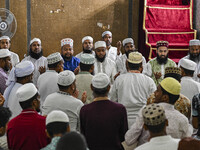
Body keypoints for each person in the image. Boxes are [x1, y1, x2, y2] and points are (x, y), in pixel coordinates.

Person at [125, 77, 193, 147]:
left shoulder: (146, 111)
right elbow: (186, 142)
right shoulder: (182, 119)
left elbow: (129, 140)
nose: (154, 93)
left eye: (157, 91)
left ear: (165, 97)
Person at [80, 73, 128, 150]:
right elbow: (123, 136)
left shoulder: (85, 110)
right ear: (109, 88)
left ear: (91, 87)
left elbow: (83, 136)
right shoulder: (120, 109)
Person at [110, 52, 156, 128]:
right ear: (141, 66)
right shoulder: (149, 81)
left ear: (126, 64)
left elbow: (113, 101)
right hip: (143, 121)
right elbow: (154, 102)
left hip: (123, 120)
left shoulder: (119, 80)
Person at [7, 83, 48, 150]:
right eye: (38, 98)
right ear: (34, 102)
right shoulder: (45, 122)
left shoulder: (11, 124)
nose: (40, 101)